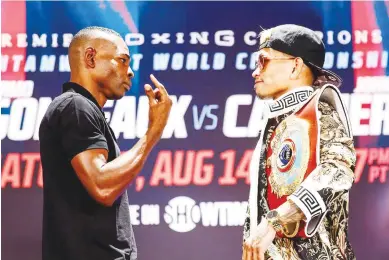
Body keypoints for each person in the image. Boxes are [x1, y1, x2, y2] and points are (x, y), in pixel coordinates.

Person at [39, 26, 172, 260]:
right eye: (122, 60)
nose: (130, 72)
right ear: (90, 58)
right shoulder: (75, 107)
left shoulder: (84, 109)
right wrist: (154, 131)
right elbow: (102, 187)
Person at [242, 24, 356, 260]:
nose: (255, 72)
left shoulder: (319, 112)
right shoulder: (281, 119)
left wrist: (273, 221)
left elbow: (337, 171)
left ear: (295, 66)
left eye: (264, 61)